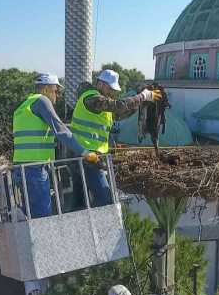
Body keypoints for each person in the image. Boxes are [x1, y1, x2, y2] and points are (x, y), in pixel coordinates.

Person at [12, 73, 98, 218]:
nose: (57, 95)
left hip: (21, 168)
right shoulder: (42, 101)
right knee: (42, 217)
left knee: (31, 216)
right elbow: (61, 131)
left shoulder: (24, 106)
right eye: (56, 91)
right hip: (35, 168)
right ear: (45, 89)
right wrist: (84, 152)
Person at [71, 69, 161, 206]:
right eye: (110, 88)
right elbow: (118, 106)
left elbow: (120, 113)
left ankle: (82, 225)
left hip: (85, 155)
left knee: (80, 203)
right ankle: (103, 226)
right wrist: (142, 96)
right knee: (106, 200)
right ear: (101, 84)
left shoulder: (100, 106)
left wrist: (140, 103)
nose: (112, 92)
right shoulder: (92, 99)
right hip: (87, 157)